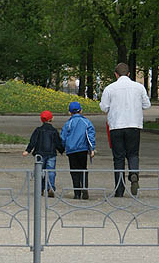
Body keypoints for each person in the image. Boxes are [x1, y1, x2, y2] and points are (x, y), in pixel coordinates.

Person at [100, 62, 151, 196]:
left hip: (116, 126)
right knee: (133, 153)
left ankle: (119, 189)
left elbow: (104, 107)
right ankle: (133, 173)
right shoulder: (139, 87)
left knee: (118, 157)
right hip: (134, 125)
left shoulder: (110, 88)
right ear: (129, 74)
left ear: (116, 74)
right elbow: (147, 105)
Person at [23, 110, 65, 198]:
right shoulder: (54, 131)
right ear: (52, 119)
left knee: (39, 171)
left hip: (39, 154)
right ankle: (51, 187)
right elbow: (57, 142)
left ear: (41, 120)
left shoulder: (38, 130)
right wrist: (61, 150)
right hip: (51, 154)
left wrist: (28, 150)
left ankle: (40, 189)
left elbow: (33, 141)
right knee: (50, 171)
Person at [60, 100, 96, 200]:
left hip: (71, 150)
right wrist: (92, 149)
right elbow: (90, 136)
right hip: (82, 149)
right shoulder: (86, 122)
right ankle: (84, 187)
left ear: (69, 112)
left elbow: (63, 137)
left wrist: (62, 148)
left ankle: (77, 193)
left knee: (74, 171)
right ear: (81, 111)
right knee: (83, 168)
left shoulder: (68, 123)